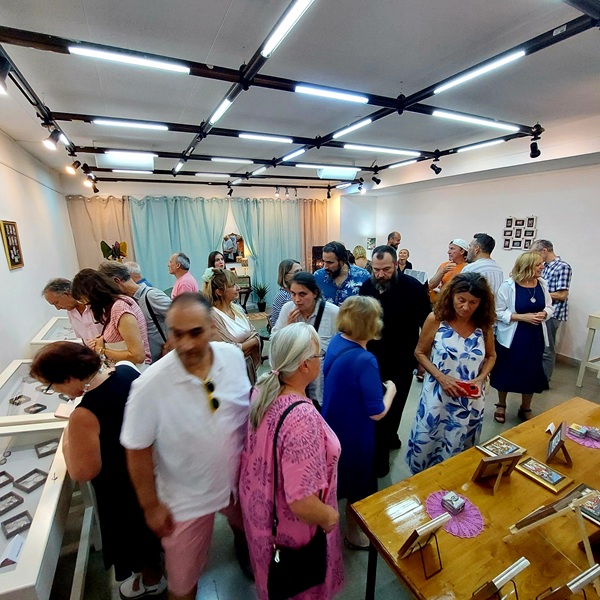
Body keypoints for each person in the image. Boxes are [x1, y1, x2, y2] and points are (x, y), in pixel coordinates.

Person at [121, 293, 252, 600]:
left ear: (211, 327)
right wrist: (151, 506)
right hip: (186, 499)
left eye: (195, 332)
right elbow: (136, 449)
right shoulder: (149, 386)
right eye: (177, 334)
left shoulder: (232, 358)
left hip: (238, 483)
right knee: (182, 583)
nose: (186, 344)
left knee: (245, 526)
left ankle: (244, 547)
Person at [29, 342, 165, 599]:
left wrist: (68, 436)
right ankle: (155, 568)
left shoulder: (84, 414)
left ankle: (152, 581)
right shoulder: (126, 372)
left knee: (135, 537)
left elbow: (83, 471)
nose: (55, 391)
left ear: (68, 378)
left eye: (52, 385)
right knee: (148, 533)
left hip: (120, 488)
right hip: (150, 472)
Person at [239, 323, 343, 600]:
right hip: (293, 532)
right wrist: (330, 517)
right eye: (318, 355)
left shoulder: (263, 390)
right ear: (304, 365)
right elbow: (302, 502)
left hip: (262, 516)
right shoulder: (301, 419)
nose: (321, 359)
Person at [322, 297, 396, 549]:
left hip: (333, 423)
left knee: (338, 475)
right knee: (359, 483)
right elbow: (376, 412)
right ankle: (354, 535)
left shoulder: (337, 341)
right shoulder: (365, 360)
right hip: (355, 432)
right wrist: (391, 391)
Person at [406, 273, 497, 474]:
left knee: (459, 448)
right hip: (438, 394)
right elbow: (419, 352)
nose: (465, 307)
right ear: (451, 296)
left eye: (473, 302)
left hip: (469, 398)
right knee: (429, 440)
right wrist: (441, 377)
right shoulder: (436, 319)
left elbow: (491, 356)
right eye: (461, 300)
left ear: (481, 303)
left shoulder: (483, 325)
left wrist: (481, 378)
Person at [360, 245, 431, 477]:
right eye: (376, 269)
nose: (380, 274)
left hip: (402, 358)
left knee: (396, 405)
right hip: (371, 358)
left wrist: (423, 359)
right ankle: (379, 455)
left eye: (386, 270)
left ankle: (389, 437)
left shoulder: (414, 288)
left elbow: (427, 325)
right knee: (376, 407)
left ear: (396, 266)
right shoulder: (367, 286)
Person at [491, 251, 553, 422]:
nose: (542, 267)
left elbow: (549, 307)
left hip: (535, 336)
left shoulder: (542, 285)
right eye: (538, 264)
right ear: (527, 266)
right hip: (514, 336)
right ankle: (501, 404)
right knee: (506, 369)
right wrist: (522, 317)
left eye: (542, 263)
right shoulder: (508, 286)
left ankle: (525, 407)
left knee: (531, 371)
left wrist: (544, 313)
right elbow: (498, 312)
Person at [273, 271, 339, 403]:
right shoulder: (288, 309)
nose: (297, 299)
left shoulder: (333, 313)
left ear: (315, 293)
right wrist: (288, 327)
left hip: (322, 382)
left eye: (302, 294)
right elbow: (274, 342)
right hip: (295, 381)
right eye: (293, 294)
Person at [71, 269, 151, 367]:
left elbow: (137, 356)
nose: (85, 304)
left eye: (83, 300)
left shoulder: (120, 308)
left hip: (133, 370)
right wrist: (101, 340)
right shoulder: (115, 306)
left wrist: (101, 350)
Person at [98, 261, 171, 362]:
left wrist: (168, 346)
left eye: (106, 286)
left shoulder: (151, 296)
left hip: (161, 360)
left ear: (116, 281)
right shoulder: (126, 301)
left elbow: (184, 318)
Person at [202, 268, 261, 385]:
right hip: (231, 374)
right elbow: (227, 349)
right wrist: (252, 342)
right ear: (219, 292)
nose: (238, 288)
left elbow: (254, 333)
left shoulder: (237, 309)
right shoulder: (212, 316)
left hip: (247, 367)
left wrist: (243, 346)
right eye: (233, 285)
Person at [531, 239, 572, 383]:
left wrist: (539, 293)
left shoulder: (562, 267)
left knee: (547, 349)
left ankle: (544, 380)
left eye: (535, 253)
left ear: (544, 251)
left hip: (553, 314)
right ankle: (535, 376)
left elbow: (562, 295)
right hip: (539, 312)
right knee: (537, 347)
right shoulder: (544, 267)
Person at [42, 278, 103, 342]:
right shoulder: (71, 313)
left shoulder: (97, 305)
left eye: (56, 303)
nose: (58, 308)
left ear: (67, 294)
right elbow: (83, 338)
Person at [313, 241, 369, 306]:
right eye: (324, 261)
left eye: (330, 262)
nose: (325, 267)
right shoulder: (318, 276)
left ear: (343, 261)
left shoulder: (363, 276)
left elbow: (370, 306)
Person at [269, 259, 302, 328]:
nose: (301, 275)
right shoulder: (283, 296)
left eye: (301, 271)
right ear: (285, 277)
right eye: (296, 272)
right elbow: (276, 325)